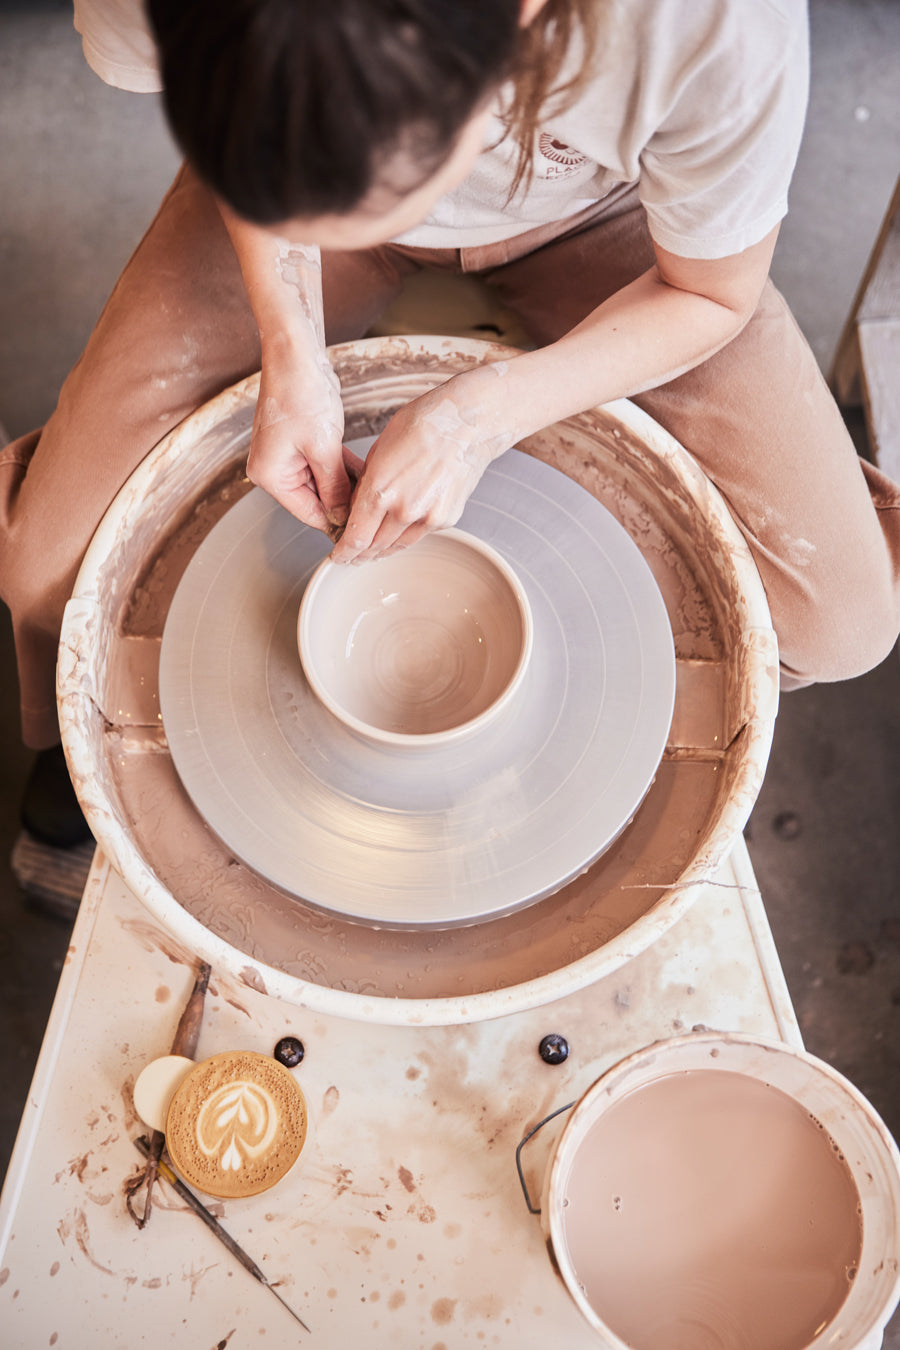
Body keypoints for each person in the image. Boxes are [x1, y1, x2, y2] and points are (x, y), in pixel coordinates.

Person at [3, 0, 899, 848]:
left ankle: (605, 732)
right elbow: (237, 131)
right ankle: (94, 745)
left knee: (841, 619)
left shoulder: (703, 23)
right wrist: (291, 345)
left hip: (610, 212)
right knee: (52, 571)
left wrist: (480, 417)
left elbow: (710, 291)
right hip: (285, 165)